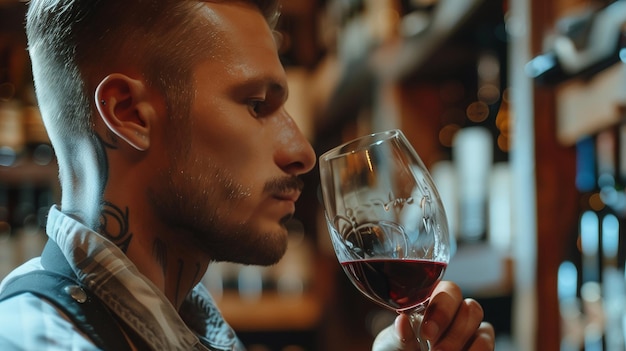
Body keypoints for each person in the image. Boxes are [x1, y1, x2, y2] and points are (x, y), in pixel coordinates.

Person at [0, 0, 495, 350]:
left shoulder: (187, 326)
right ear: (128, 112)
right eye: (258, 105)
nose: (302, 151)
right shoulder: (38, 339)